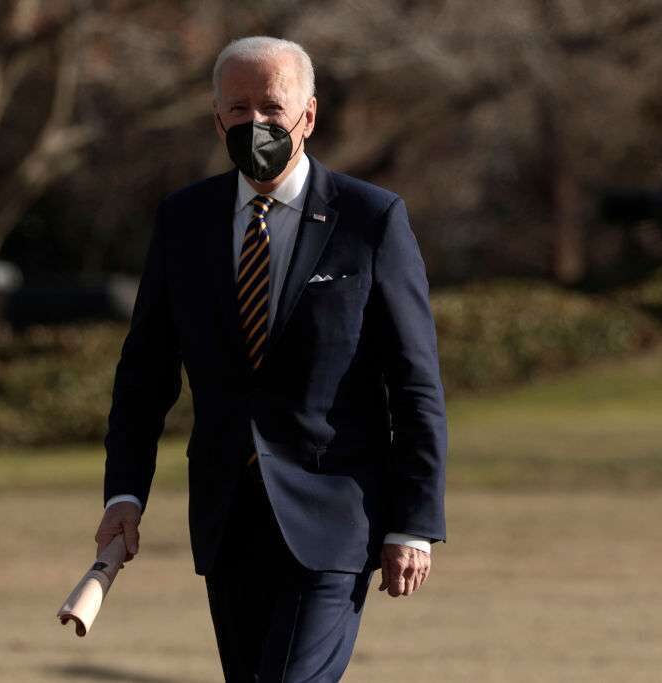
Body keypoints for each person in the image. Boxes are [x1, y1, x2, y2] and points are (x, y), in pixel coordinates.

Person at [94, 35, 447, 682]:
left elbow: (415, 383)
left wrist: (415, 522)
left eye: (272, 108)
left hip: (335, 516)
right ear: (217, 118)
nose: (255, 124)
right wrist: (125, 491)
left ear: (308, 116)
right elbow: (144, 374)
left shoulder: (370, 220)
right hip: (228, 518)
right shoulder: (184, 221)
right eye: (238, 109)